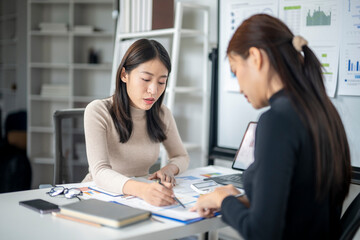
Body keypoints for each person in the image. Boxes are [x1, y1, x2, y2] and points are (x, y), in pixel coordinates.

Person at [190, 14, 351, 239]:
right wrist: (242, 200)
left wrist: (223, 201)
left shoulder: (277, 121)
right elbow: (302, 200)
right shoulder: (323, 112)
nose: (239, 86)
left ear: (256, 57)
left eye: (236, 71)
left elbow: (262, 233)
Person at [82, 39, 189, 206]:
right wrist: (142, 190)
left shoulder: (162, 114)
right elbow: (100, 171)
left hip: (138, 198)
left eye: (161, 82)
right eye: (146, 79)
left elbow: (181, 156)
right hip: (100, 195)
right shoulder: (98, 111)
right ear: (124, 75)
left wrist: (169, 169)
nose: (154, 90)